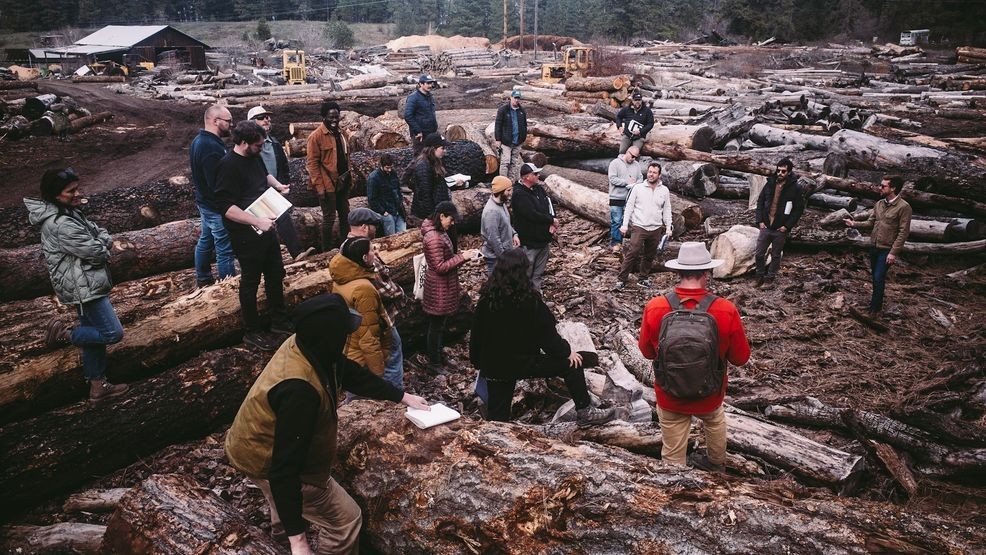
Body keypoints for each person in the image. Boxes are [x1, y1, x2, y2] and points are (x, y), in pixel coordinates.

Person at [225, 293, 430, 555]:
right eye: (343, 332)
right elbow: (284, 470)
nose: (348, 336)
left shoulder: (306, 345)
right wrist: (299, 542)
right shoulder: (300, 392)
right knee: (345, 519)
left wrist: (402, 396)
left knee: (279, 493)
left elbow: (350, 373)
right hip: (264, 460)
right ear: (330, 339)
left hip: (247, 443)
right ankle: (294, 537)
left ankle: (280, 534)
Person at [470, 249, 618, 425]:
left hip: (496, 366)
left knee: (498, 415)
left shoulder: (487, 300)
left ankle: (494, 439)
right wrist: (566, 352)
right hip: (523, 362)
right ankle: (585, 412)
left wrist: (479, 363)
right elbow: (547, 336)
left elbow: (476, 336)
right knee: (572, 364)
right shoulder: (529, 299)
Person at [637, 242, 751, 471]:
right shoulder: (726, 309)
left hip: (670, 394)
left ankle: (674, 475)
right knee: (715, 421)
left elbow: (647, 352)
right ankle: (716, 466)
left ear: (677, 272)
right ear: (707, 273)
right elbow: (740, 358)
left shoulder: (656, 306)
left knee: (672, 441)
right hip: (709, 393)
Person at [29, 168, 129, 401]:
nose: (77, 194)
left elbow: (100, 232)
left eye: (77, 188)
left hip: (84, 282)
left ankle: (97, 386)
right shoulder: (61, 223)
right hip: (83, 287)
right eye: (70, 191)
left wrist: (102, 240)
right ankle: (65, 334)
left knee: (95, 341)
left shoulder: (69, 212)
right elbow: (96, 252)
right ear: (55, 194)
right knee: (112, 333)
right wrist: (103, 244)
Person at [215, 120, 293, 352]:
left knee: (275, 273)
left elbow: (264, 175)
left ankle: (279, 320)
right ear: (245, 143)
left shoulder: (254, 156)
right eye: (258, 145)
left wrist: (278, 185)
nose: (262, 148)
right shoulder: (228, 166)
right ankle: (252, 331)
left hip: (266, 225)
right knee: (250, 281)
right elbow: (226, 207)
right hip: (245, 233)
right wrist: (256, 221)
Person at [333, 207, 407, 392]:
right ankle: (392, 395)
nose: (376, 228)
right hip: (378, 318)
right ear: (365, 227)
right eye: (374, 225)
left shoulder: (346, 248)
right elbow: (382, 288)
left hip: (357, 319)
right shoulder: (363, 253)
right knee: (391, 357)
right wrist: (401, 292)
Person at [421, 201, 481, 375]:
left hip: (444, 286)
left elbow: (447, 259)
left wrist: (466, 256)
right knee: (435, 327)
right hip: (438, 288)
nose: (453, 223)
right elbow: (439, 267)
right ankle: (434, 363)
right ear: (441, 216)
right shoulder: (433, 237)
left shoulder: (440, 232)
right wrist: (462, 257)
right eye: (451, 219)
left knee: (439, 326)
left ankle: (437, 357)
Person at [248, 105, 314, 262]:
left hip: (275, 191)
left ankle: (292, 254)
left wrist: (283, 185)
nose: (266, 120)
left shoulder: (275, 143)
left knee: (275, 223)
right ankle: (295, 253)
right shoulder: (248, 147)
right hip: (257, 192)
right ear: (251, 122)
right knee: (265, 226)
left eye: (267, 117)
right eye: (261, 117)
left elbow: (284, 167)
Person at [844, 175, 912, 315]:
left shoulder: (904, 207)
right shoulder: (879, 204)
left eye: (883, 186)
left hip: (887, 250)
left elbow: (903, 232)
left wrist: (893, 252)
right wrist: (854, 224)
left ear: (893, 188)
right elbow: (870, 222)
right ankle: (875, 305)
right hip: (874, 246)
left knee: (878, 276)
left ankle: (874, 310)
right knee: (875, 277)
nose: (879, 188)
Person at [190, 104, 236, 287]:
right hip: (215, 207)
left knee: (205, 241)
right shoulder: (210, 147)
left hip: (205, 203)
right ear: (216, 121)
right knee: (224, 249)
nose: (231, 125)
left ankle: (203, 277)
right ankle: (229, 287)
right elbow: (215, 184)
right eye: (228, 121)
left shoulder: (199, 141)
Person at [616, 162, 673, 290]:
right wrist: (624, 225)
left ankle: (643, 278)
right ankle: (621, 280)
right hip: (639, 226)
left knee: (649, 255)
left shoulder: (664, 190)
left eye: (654, 172)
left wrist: (668, 227)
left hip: (656, 227)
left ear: (659, 175)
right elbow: (629, 207)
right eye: (649, 172)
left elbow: (667, 209)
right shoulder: (638, 188)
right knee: (633, 252)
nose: (651, 174)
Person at [305, 101, 351, 250]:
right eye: (331, 117)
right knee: (329, 218)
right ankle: (326, 250)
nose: (334, 120)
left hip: (342, 181)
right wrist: (319, 187)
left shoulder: (342, 133)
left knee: (345, 215)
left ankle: (345, 245)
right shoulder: (316, 137)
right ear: (324, 117)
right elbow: (312, 164)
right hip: (327, 184)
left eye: (336, 117)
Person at [753, 158, 805, 286]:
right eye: (778, 170)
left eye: (783, 171)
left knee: (776, 255)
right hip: (766, 226)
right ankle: (759, 276)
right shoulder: (770, 183)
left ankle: (769, 279)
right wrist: (759, 220)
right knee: (759, 254)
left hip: (780, 229)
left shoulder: (795, 188)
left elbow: (798, 209)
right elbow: (760, 201)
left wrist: (787, 226)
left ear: (789, 172)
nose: (780, 173)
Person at [510, 163, 556, 293]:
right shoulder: (519, 194)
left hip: (543, 240)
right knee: (526, 274)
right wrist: (551, 220)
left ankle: (536, 297)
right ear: (526, 177)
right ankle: (523, 298)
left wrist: (552, 221)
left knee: (538, 274)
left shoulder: (539, 189)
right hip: (529, 243)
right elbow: (532, 214)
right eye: (535, 174)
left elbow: (549, 205)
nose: (538, 176)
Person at [409, 132, 461, 223]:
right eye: (442, 148)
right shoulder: (423, 167)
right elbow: (425, 197)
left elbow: (439, 186)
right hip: (428, 216)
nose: (444, 151)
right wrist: (433, 218)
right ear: (433, 149)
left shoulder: (435, 162)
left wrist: (454, 184)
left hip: (438, 211)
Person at [480, 175, 520, 276]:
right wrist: (504, 257)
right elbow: (493, 238)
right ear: (501, 191)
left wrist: (514, 234)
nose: (510, 193)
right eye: (508, 190)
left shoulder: (501, 204)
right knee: (497, 287)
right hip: (496, 258)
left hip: (504, 254)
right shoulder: (492, 211)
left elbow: (506, 223)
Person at [607, 146, 643, 252]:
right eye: (632, 156)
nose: (633, 159)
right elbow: (612, 179)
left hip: (631, 197)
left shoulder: (636, 165)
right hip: (616, 197)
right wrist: (626, 182)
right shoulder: (615, 163)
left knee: (626, 221)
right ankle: (615, 243)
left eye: (636, 157)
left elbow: (640, 177)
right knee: (616, 221)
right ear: (627, 152)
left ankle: (626, 242)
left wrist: (636, 183)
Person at [365, 153, 407, 236]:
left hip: (398, 209)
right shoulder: (373, 178)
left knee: (403, 235)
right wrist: (383, 212)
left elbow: (398, 189)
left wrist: (401, 201)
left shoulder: (393, 174)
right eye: (387, 168)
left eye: (391, 167)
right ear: (382, 165)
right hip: (386, 212)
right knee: (391, 238)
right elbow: (372, 199)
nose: (389, 170)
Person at [493, 90, 528, 182]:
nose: (516, 100)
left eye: (518, 98)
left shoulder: (522, 111)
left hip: (518, 142)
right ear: (510, 98)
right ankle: (503, 183)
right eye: (515, 98)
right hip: (506, 141)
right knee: (505, 163)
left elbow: (524, 125)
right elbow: (498, 125)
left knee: (513, 163)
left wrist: (523, 138)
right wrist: (498, 139)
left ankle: (511, 182)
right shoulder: (503, 110)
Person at [404, 74, 439, 153]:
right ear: (421, 84)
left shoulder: (430, 96)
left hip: (431, 132)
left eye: (431, 83)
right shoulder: (413, 98)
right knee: (420, 157)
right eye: (428, 83)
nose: (430, 85)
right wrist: (418, 131)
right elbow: (408, 116)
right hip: (420, 135)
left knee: (431, 156)